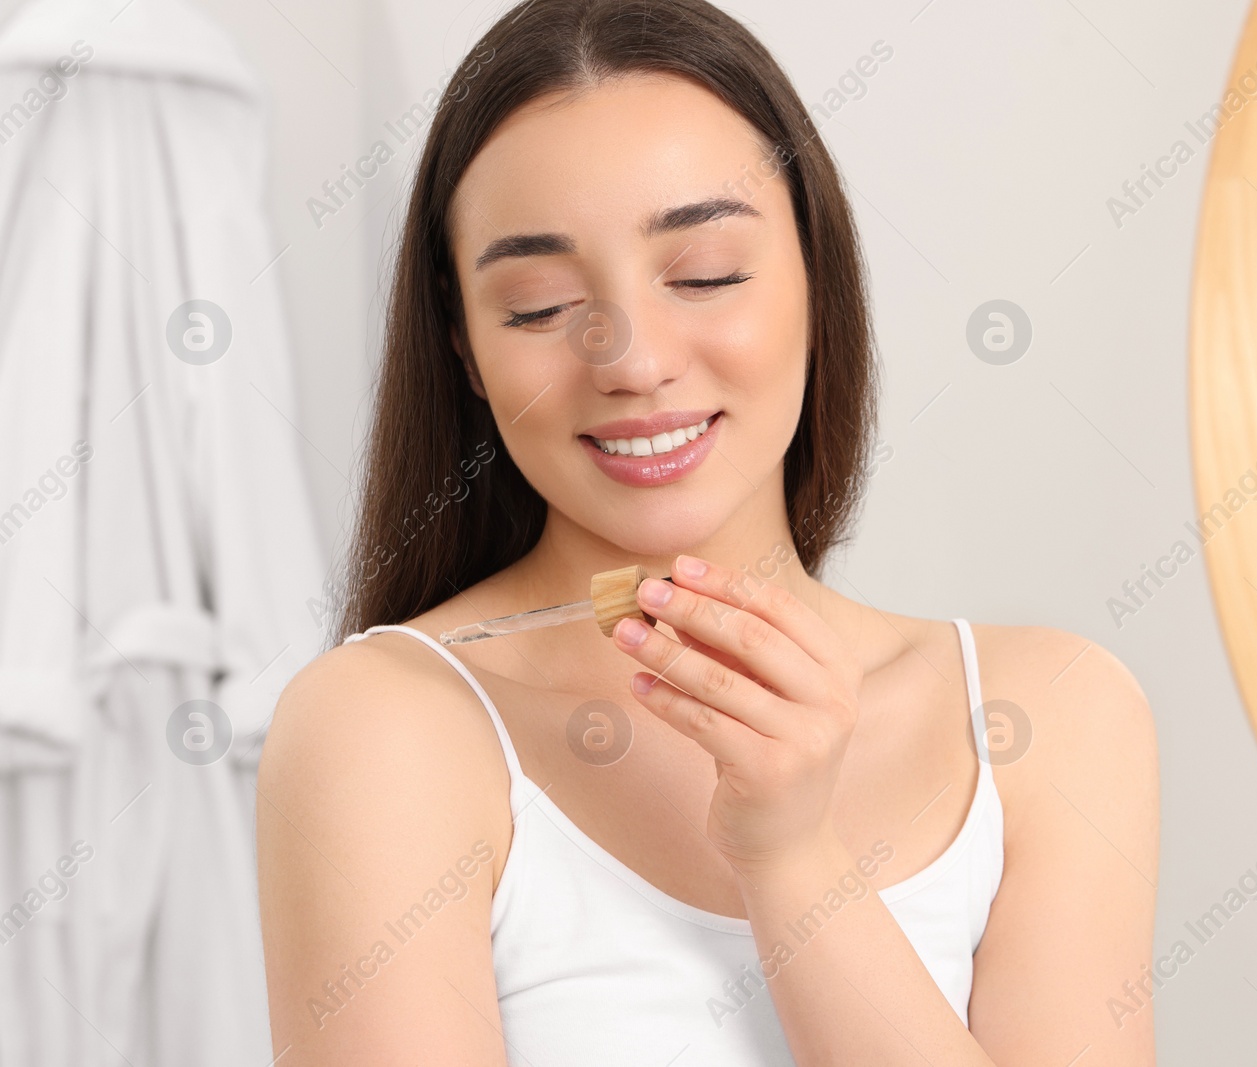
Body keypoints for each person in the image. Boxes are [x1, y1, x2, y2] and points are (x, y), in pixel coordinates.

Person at [255, 1, 1159, 1063]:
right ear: (463, 349)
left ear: (817, 280)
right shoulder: (385, 724)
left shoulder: (1045, 714)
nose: (630, 359)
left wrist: (791, 860)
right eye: (539, 305)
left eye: (705, 275)